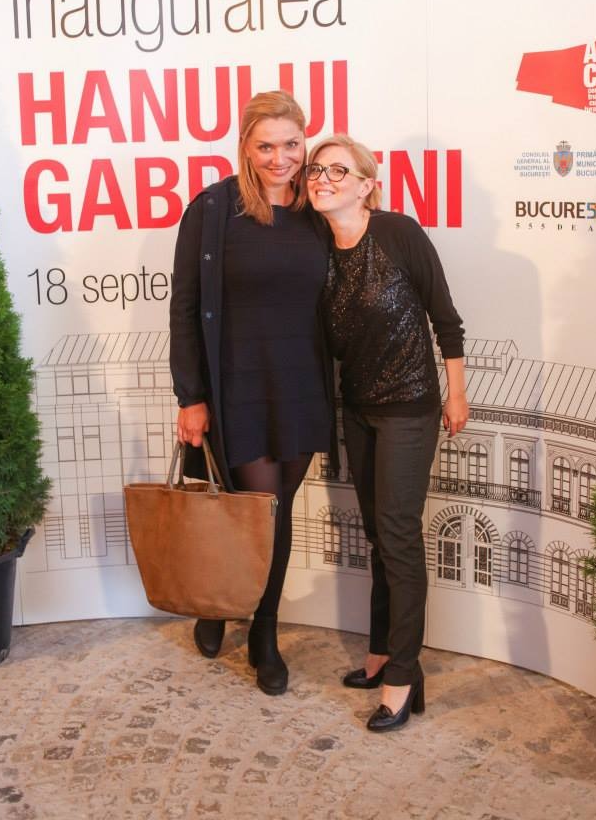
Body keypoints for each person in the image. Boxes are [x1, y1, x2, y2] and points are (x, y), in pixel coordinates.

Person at [169, 90, 335, 696]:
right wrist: (191, 396)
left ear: (305, 141)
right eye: (266, 146)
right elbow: (185, 307)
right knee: (254, 512)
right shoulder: (214, 209)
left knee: (275, 513)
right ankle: (235, 615)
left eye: (291, 144)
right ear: (245, 146)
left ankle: (254, 624)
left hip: (301, 385)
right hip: (237, 385)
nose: (280, 158)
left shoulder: (318, 210)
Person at [307, 134, 468, 732]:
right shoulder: (316, 248)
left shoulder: (399, 234)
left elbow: (445, 319)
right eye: (316, 170)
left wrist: (456, 392)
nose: (322, 179)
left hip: (409, 408)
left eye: (338, 170)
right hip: (358, 409)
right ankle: (379, 651)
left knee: (398, 536)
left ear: (367, 185)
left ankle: (403, 673)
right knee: (378, 534)